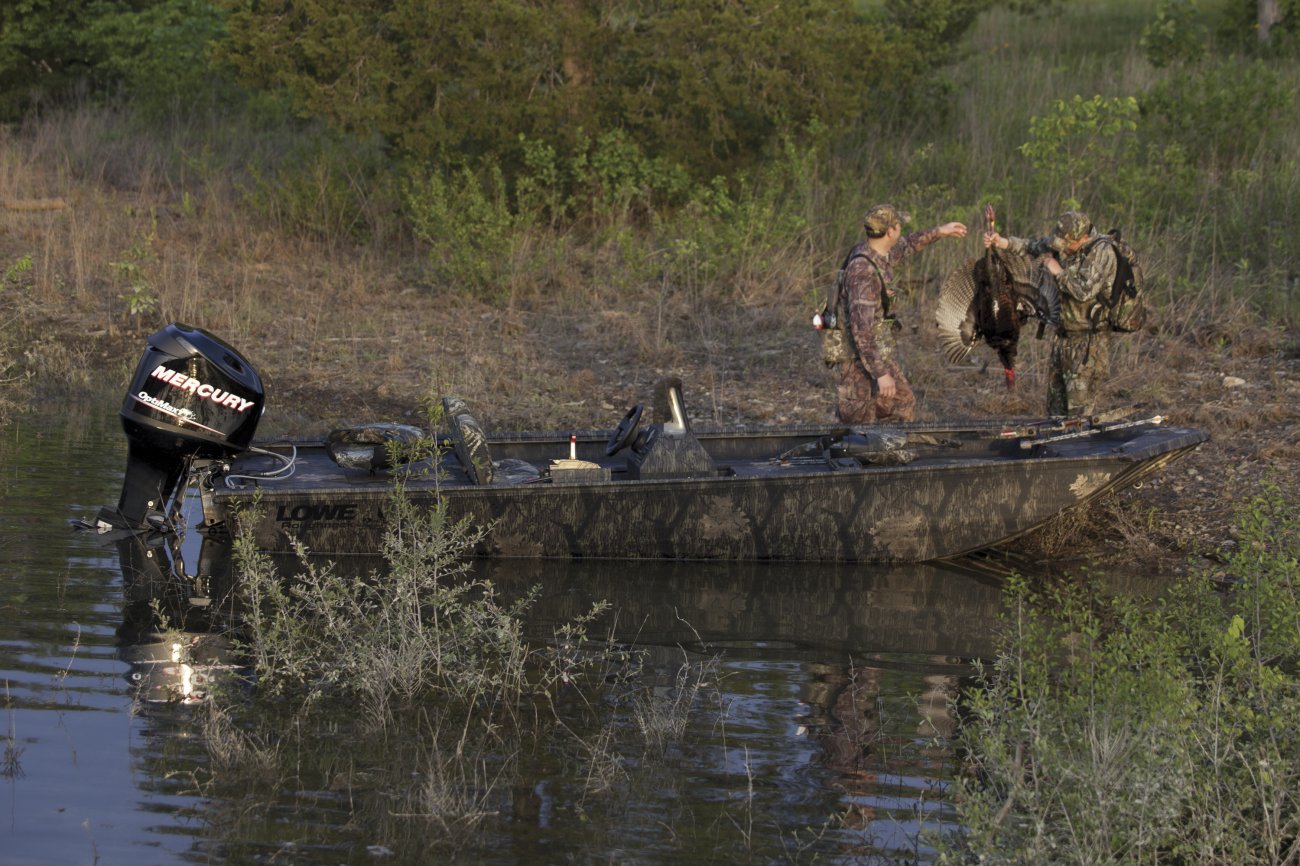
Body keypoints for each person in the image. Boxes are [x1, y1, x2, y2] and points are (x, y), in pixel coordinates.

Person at [833, 204, 968, 424]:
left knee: (900, 405)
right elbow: (861, 330)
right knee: (857, 419)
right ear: (890, 231)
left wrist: (939, 232)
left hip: (875, 350)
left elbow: (906, 246)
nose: (900, 230)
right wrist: (881, 374)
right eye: (898, 225)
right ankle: (862, 453)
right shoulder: (863, 272)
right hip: (857, 356)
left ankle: (886, 452)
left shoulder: (874, 252)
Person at [984, 210, 1114, 417]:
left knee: (1078, 413)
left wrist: (1058, 272)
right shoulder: (1065, 241)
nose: (1063, 249)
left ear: (1085, 238)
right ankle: (1056, 445)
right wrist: (1003, 242)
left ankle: (1077, 448)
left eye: (1068, 245)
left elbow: (1083, 291)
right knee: (1055, 410)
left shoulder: (1102, 252)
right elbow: (1033, 246)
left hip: (1088, 342)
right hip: (1063, 337)